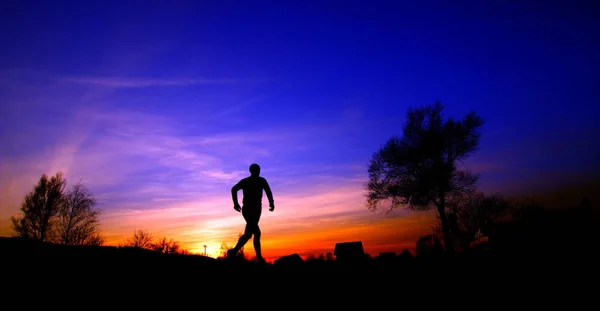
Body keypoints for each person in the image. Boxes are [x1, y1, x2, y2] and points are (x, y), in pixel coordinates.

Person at [227, 163, 275, 263]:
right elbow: (234, 189)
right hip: (248, 209)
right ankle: (259, 258)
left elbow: (268, 191)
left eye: (258, 169)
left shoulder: (262, 180)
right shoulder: (246, 181)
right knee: (257, 233)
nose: (258, 171)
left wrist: (271, 202)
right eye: (256, 169)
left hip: (257, 209)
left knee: (249, 234)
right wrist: (235, 203)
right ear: (251, 171)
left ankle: (233, 252)